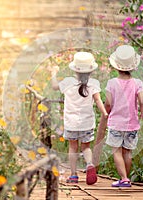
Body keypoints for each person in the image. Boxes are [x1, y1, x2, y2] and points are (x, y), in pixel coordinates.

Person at [51, 51, 108, 185]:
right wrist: (105, 113)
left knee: (72, 147)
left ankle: (73, 175)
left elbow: (54, 86)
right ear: (91, 71)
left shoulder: (68, 82)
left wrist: (53, 73)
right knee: (86, 147)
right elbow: (98, 100)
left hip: (71, 123)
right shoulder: (93, 83)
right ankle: (89, 164)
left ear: (75, 70)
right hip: (87, 123)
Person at [103, 45, 143, 187]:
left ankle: (124, 179)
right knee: (127, 152)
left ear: (116, 66)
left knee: (116, 151)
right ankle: (125, 179)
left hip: (116, 123)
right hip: (132, 124)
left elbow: (108, 103)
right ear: (133, 67)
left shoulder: (112, 83)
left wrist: (106, 112)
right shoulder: (137, 83)